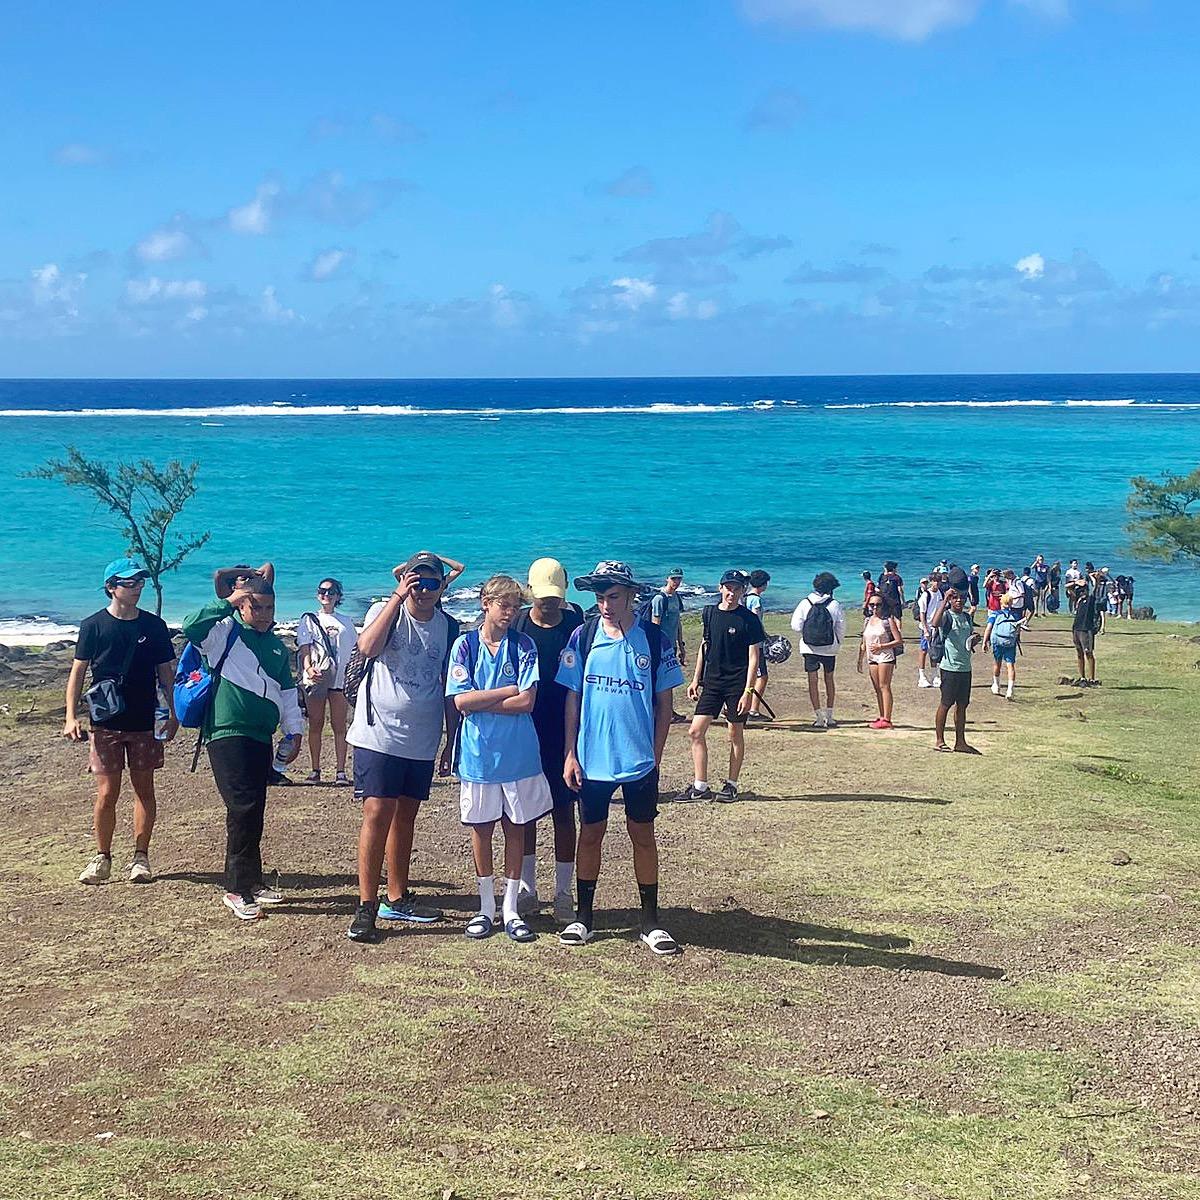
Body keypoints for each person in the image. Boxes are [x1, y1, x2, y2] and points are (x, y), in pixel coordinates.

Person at [556, 561, 684, 955]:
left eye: (613, 597)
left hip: (639, 760)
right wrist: (569, 754)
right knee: (590, 833)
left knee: (642, 834)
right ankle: (585, 917)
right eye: (600, 598)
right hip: (592, 759)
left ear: (631, 596)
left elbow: (665, 706)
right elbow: (572, 698)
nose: (606, 605)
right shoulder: (583, 635)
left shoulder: (654, 638)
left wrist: (655, 756)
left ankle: (650, 921)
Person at [346, 552, 461, 944]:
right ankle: (366, 905)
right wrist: (397, 598)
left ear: (441, 585)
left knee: (406, 815)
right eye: (417, 580)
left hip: (422, 735)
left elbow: (450, 686)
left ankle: (397, 896)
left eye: (431, 582)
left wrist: (452, 738)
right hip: (378, 731)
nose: (423, 589)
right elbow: (366, 646)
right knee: (378, 810)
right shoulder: (386, 609)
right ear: (405, 580)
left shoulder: (449, 626)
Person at [182, 575, 304, 920]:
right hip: (226, 732)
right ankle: (236, 888)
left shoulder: (278, 647)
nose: (264, 614)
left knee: (255, 808)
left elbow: (287, 693)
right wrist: (230, 599)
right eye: (256, 607)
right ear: (242, 605)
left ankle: (253, 880)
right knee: (242, 808)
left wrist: (293, 732)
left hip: (260, 735)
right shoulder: (223, 634)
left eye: (270, 608)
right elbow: (191, 625)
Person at [447, 574, 552, 943]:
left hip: (519, 756)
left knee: (516, 828)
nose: (509, 612)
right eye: (503, 604)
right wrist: (506, 690)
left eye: (515, 605)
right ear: (485, 603)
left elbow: (527, 702)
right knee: (481, 829)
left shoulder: (523, 646)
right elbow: (460, 702)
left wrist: (484, 697)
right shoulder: (465, 646)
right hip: (478, 757)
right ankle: (485, 907)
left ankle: (510, 908)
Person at [65, 557, 179, 885]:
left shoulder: (154, 626)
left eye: (140, 581)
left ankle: (141, 857)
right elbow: (78, 672)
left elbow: (166, 674)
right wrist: (71, 716)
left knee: (144, 788)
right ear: (111, 587)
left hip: (144, 720)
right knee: (106, 792)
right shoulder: (93, 625)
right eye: (130, 583)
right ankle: (102, 858)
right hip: (104, 722)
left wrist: (173, 713)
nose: (137, 587)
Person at [512, 558, 584, 923]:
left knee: (563, 813)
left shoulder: (576, 624)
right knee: (524, 815)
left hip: (565, 732)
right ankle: (527, 890)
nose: (549, 604)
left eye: (554, 598)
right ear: (531, 593)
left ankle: (563, 893)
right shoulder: (519, 625)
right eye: (543, 598)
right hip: (525, 732)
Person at [676, 569, 764, 803]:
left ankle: (731, 785)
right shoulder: (709, 613)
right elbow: (705, 647)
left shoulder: (749, 619)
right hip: (713, 682)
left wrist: (749, 691)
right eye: (728, 588)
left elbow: (753, 657)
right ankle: (700, 785)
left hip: (737, 684)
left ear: (743, 590)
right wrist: (696, 679)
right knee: (695, 731)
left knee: (734, 733)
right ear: (720, 588)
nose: (732, 593)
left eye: (737, 589)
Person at [296, 577, 357, 785]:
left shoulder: (346, 622)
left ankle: (341, 771)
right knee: (316, 723)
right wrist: (307, 668)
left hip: (339, 679)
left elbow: (354, 651)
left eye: (331, 592)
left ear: (338, 596)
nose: (326, 595)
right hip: (317, 677)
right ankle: (315, 770)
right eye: (322, 590)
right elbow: (304, 648)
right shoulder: (309, 619)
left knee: (340, 725)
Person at [789, 572, 846, 729]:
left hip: (809, 647)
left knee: (812, 682)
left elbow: (795, 626)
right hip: (829, 648)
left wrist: (807, 631)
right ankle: (830, 716)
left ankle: (818, 717)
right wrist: (838, 643)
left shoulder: (805, 603)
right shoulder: (834, 605)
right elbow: (841, 628)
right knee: (829, 680)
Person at [929, 587, 981, 753]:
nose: (958, 600)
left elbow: (967, 640)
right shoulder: (946, 616)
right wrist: (944, 600)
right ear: (950, 600)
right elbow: (934, 623)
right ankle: (939, 740)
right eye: (955, 598)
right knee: (946, 703)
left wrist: (975, 639)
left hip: (965, 667)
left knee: (962, 705)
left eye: (961, 597)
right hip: (949, 667)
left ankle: (960, 742)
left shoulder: (966, 617)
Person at [857, 593, 902, 729]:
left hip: (885, 657)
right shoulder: (867, 621)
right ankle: (882, 716)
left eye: (878, 604)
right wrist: (860, 659)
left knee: (884, 686)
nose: (875, 607)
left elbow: (898, 640)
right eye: (872, 605)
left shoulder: (888, 621)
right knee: (877, 688)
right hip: (872, 658)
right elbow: (864, 642)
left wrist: (882, 646)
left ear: (883, 605)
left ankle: (887, 719)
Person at [650, 567, 688, 722]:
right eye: (673, 579)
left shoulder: (676, 597)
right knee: (660, 680)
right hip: (661, 647)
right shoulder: (660, 599)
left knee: (669, 680)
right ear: (667, 579)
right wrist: (656, 648)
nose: (676, 582)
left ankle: (668, 711)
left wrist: (681, 644)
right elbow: (655, 625)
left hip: (671, 645)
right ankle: (661, 712)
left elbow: (677, 622)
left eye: (679, 579)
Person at [984, 593, 1022, 701]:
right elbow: (1017, 630)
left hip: (997, 642)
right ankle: (1010, 689)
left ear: (1001, 602)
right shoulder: (1015, 615)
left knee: (997, 663)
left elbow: (989, 628)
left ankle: (996, 685)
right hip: (1010, 642)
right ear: (1011, 603)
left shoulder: (995, 614)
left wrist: (985, 641)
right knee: (1010, 665)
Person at [744, 569, 772, 720]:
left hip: (743, 643)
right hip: (755, 643)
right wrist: (764, 635)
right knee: (762, 676)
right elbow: (755, 620)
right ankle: (753, 710)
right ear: (764, 584)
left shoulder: (744, 597)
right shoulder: (756, 600)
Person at [1071, 578, 1104, 686]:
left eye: (1083, 590)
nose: (1081, 592)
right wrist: (1076, 582)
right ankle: (1082, 677)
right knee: (1079, 653)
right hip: (1076, 628)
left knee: (1088, 653)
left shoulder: (1090, 599)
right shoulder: (1078, 600)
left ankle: (1092, 678)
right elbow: (1067, 587)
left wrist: (1094, 579)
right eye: (1079, 591)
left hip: (1086, 629)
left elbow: (1095, 588)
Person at [916, 573, 944, 689]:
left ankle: (934, 675)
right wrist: (925, 629)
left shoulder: (940, 593)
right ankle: (921, 676)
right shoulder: (926, 595)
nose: (936, 583)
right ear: (931, 581)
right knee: (924, 651)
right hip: (926, 627)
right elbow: (922, 613)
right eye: (934, 581)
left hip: (936, 627)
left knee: (935, 651)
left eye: (938, 581)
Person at [878, 561, 905, 626]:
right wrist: (903, 600)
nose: (897, 569)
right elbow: (900, 590)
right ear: (893, 569)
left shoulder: (882, 576)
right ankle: (898, 632)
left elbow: (878, 588)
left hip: (884, 600)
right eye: (896, 568)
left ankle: (887, 631)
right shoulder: (897, 577)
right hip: (895, 600)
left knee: (885, 617)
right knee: (898, 617)